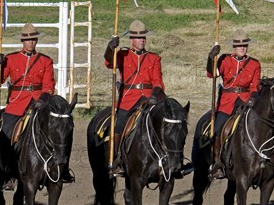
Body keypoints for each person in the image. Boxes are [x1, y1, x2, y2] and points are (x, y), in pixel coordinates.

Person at [0, 23, 73, 190]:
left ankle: (63, 169)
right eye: (28, 40)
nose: (31, 42)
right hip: (17, 104)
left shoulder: (45, 60)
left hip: (40, 104)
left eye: (33, 39)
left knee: (62, 129)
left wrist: (42, 99)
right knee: (4, 132)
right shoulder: (10, 59)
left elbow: (49, 85)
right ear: (22, 41)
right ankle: (7, 173)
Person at [104, 19, 192, 178]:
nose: (142, 40)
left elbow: (158, 82)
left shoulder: (154, 58)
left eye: (144, 37)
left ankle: (174, 161)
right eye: (138, 37)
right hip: (128, 99)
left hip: (150, 99)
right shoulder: (123, 55)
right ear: (131, 40)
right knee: (118, 125)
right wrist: (110, 48)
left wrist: (153, 96)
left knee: (170, 126)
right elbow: (109, 62)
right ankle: (117, 159)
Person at [205, 30, 262, 179]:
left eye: (244, 45)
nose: (242, 48)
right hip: (227, 102)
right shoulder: (224, 59)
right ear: (234, 47)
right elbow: (212, 74)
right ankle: (217, 162)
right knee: (217, 129)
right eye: (239, 45)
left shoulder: (255, 64)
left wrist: (253, 98)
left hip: (246, 102)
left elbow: (256, 86)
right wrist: (211, 57)